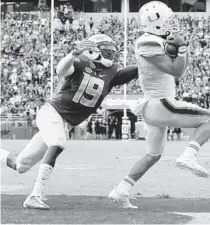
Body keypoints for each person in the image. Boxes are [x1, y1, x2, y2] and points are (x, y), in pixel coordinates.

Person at [0, 34, 138, 210]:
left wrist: (147, 62)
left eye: (111, 51)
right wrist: (73, 54)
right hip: (51, 113)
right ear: (92, 51)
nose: (110, 54)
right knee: (57, 143)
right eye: (106, 51)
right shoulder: (80, 63)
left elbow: (131, 72)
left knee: (21, 165)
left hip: (66, 123)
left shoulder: (111, 73)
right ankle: (35, 195)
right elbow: (60, 71)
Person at [108, 1, 210, 209]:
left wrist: (177, 49)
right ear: (155, 23)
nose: (170, 24)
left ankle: (120, 190)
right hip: (161, 103)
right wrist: (182, 49)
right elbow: (177, 71)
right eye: (166, 20)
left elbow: (175, 66)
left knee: (153, 155)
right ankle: (188, 156)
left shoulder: (153, 40)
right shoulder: (147, 42)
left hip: (154, 106)